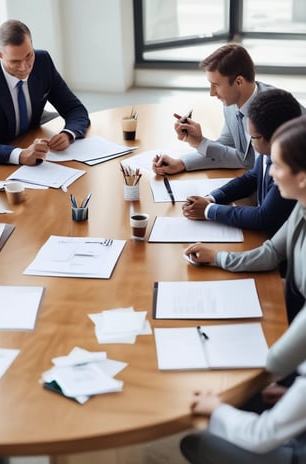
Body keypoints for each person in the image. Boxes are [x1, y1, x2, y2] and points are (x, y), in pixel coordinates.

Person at [180, 115, 306, 462]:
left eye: (277, 165)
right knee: (256, 391)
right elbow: (272, 252)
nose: (268, 172)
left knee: (195, 442)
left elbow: (261, 435)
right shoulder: (301, 207)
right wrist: (217, 256)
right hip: (296, 361)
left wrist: (216, 408)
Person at [152, 43, 305, 175]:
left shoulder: (271, 112)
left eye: (216, 85)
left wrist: (200, 143)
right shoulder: (232, 104)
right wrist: (183, 161)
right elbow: (231, 149)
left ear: (239, 82)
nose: (212, 93)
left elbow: (248, 162)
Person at [0, 19, 91, 165]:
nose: (24, 67)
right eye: (15, 61)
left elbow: (75, 108)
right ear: (0, 54)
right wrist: (20, 155)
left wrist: (68, 134)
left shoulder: (42, 61)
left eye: (28, 56)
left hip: (32, 139)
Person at [181, 88, 301, 238]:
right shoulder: (268, 152)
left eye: (253, 137)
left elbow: (264, 217)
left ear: (274, 138)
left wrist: (209, 210)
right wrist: (212, 198)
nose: (250, 141)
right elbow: (251, 177)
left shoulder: (290, 169)